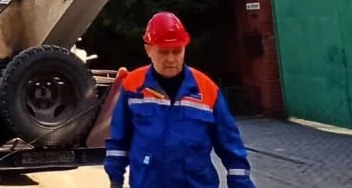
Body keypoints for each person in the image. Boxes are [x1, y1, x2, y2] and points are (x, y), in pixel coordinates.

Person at [105, 12, 255, 188]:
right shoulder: (132, 86)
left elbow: (231, 145)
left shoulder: (207, 89)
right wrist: (115, 180)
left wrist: (241, 183)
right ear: (149, 50)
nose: (171, 59)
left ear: (185, 48)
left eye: (177, 51)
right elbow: (118, 140)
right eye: (163, 52)